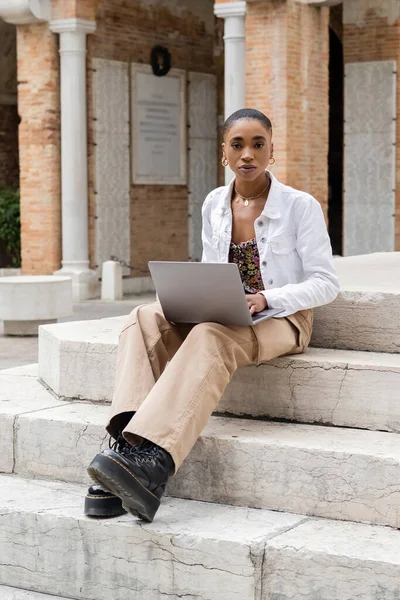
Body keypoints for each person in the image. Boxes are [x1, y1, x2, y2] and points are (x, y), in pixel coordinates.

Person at [85, 108, 340, 523]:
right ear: (224, 152)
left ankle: (154, 463)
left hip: (284, 319)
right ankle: (127, 452)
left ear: (272, 151)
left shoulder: (300, 207)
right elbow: (210, 267)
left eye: (258, 144)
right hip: (222, 311)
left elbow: (326, 282)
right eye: (237, 145)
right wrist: (193, 295)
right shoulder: (214, 205)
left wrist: (266, 297)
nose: (247, 154)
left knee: (208, 335)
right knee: (141, 318)